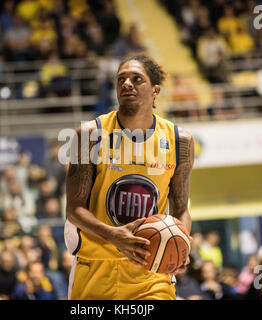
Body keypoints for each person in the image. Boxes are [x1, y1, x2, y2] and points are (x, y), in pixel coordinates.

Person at [64, 54, 195, 300]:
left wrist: (181, 241)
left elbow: (181, 207)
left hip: (150, 269)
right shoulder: (89, 135)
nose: (127, 84)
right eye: (121, 79)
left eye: (137, 79)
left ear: (155, 90)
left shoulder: (180, 141)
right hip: (95, 267)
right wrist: (114, 235)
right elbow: (73, 210)